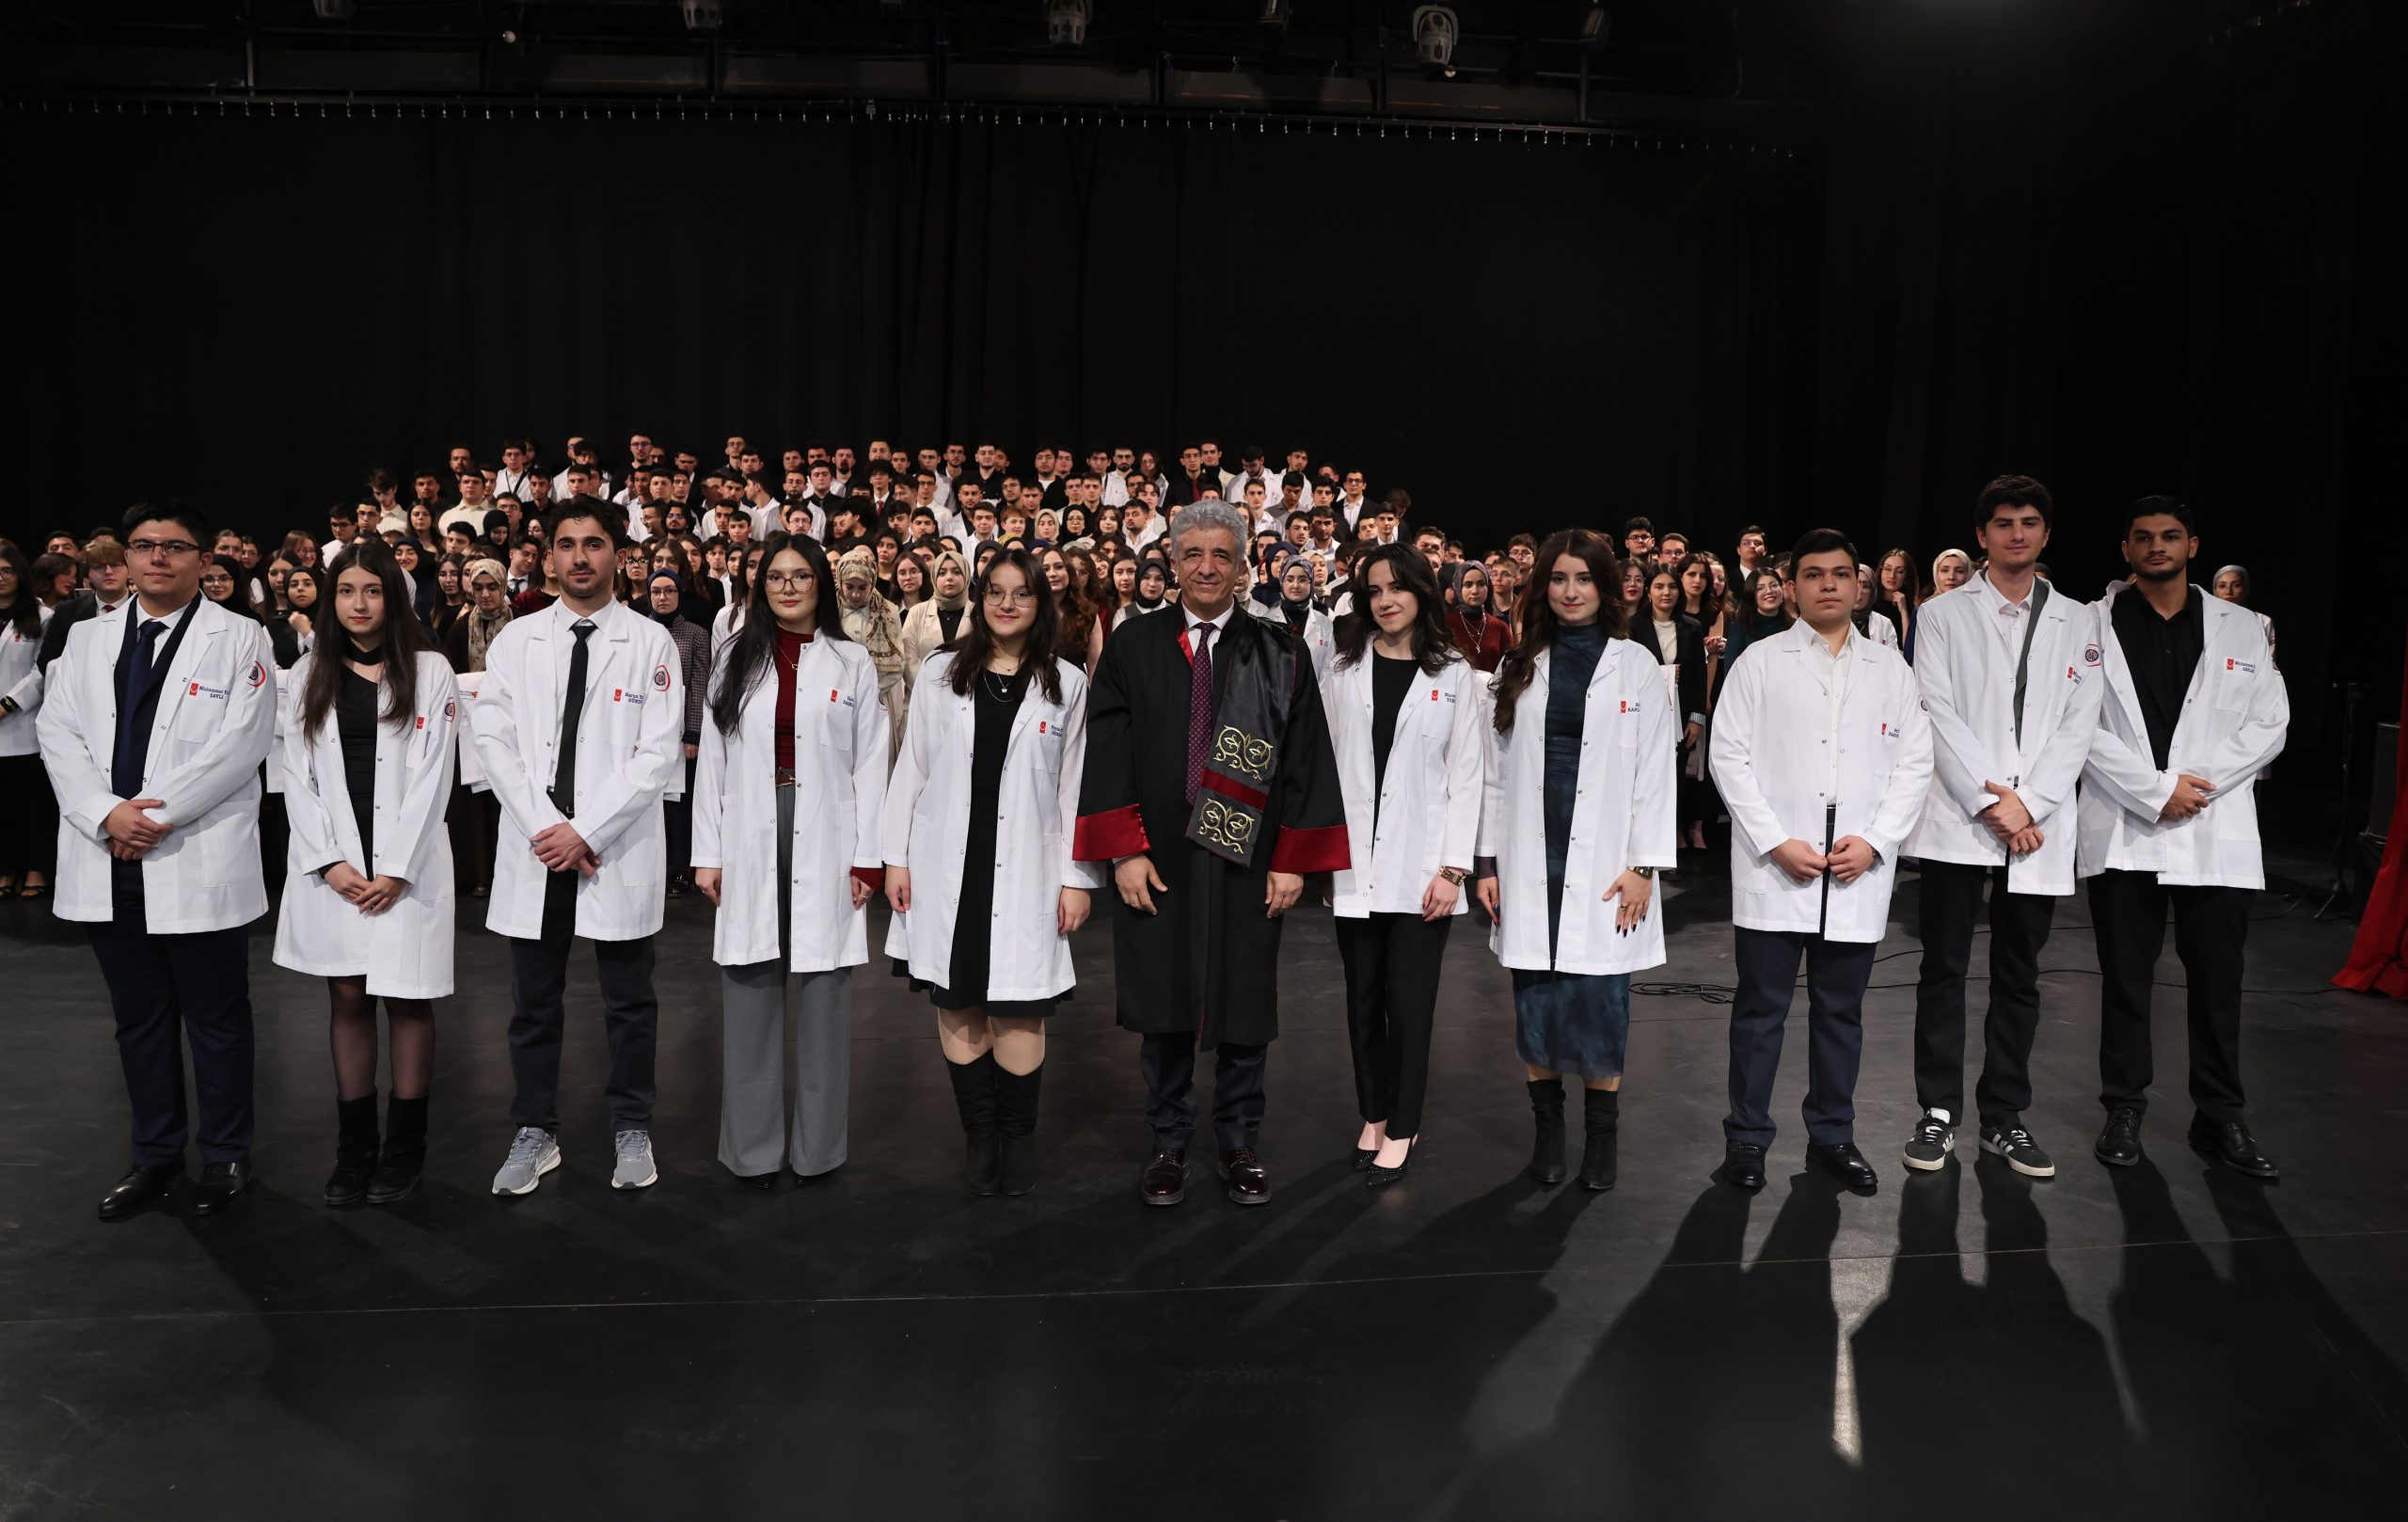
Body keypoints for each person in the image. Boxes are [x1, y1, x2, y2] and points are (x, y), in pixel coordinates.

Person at [1073, 499, 1350, 1208]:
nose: (1205, 567)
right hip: (1157, 854)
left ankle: (1238, 1140)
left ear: (1242, 566)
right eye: (1192, 554)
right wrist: (1124, 852)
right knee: (1162, 998)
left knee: (1244, 999)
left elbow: (1306, 759)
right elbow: (1106, 751)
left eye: (1220, 555)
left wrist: (1291, 859)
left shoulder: (1280, 652)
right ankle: (1169, 1139)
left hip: (1247, 858)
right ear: (1171, 561)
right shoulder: (1133, 645)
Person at [38, 501, 277, 1219]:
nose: (157, 558)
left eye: (175, 546)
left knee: (216, 1017)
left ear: (204, 559)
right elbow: (58, 732)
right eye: (144, 546)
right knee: (138, 1020)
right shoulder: (86, 637)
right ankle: (155, 1156)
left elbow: (241, 745)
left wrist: (150, 818)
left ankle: (226, 1154)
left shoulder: (241, 636)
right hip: (106, 854)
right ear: (126, 557)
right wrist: (103, 812)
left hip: (193, 852)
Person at [1707, 530, 1933, 1196]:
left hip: (1856, 857)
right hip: (1779, 856)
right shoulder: (1760, 662)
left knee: (1841, 1012)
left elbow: (1916, 761)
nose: (1828, 584)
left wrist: (1878, 840)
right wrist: (1775, 841)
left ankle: (1833, 1135)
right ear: (1792, 586)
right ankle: (1747, 1138)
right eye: (1813, 574)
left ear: (1859, 585)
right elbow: (1727, 756)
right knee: (1760, 1011)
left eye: (1840, 573)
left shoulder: (1889, 667)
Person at [470, 500, 684, 1196]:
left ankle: (632, 1125)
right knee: (533, 1005)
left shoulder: (650, 642)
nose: (580, 557)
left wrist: (587, 831)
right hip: (540, 848)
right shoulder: (517, 640)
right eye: (566, 544)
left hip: (611, 846)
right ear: (549, 557)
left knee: (630, 1003)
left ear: (619, 555)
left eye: (594, 544)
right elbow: (494, 742)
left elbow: (657, 753)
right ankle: (535, 1129)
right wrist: (550, 829)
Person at [884, 548, 1101, 1197]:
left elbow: (1075, 789)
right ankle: (980, 1136)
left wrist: (1077, 878)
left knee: (1020, 1009)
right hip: (947, 860)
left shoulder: (1067, 683)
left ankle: (1018, 1138)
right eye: (996, 592)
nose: (1007, 604)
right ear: (980, 601)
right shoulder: (940, 671)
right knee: (959, 1003)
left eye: (1022, 593)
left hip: (1030, 865)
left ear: (1041, 603)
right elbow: (913, 767)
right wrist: (895, 857)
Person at [1901, 475, 2100, 1179]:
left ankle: (2004, 1118)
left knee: (2021, 976)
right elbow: (1934, 710)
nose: (2018, 533)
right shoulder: (1941, 614)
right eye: (2004, 523)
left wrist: (2031, 803)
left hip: (2037, 826)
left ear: (2046, 534)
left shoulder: (2080, 620)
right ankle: (1937, 1111)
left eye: (2030, 522)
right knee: (1943, 970)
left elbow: (2080, 722)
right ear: (1982, 535)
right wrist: (1995, 804)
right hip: (1963, 817)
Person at [2082, 499, 2289, 1178]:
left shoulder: (2241, 626)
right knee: (2125, 981)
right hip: (2127, 825)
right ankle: (2124, 1107)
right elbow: (2078, 724)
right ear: (2126, 549)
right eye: (2143, 537)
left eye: (2170, 536)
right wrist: (2153, 790)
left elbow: (2270, 721)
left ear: (2192, 545)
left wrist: (2195, 785)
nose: (2157, 547)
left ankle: (2220, 1115)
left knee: (2219, 982)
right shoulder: (2092, 623)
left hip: (2212, 822)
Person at [1475, 530, 1673, 1193]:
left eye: (1583, 578)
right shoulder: (1517, 665)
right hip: (1532, 854)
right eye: (1558, 578)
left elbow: (1655, 770)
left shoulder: (1635, 664)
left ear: (1605, 587)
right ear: (1543, 588)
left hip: (1608, 860)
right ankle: (1549, 1134)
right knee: (1536, 1001)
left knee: (1599, 1002)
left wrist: (1645, 865)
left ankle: (1602, 1138)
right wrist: (1487, 864)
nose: (1570, 591)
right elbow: (1494, 774)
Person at [691, 534, 888, 1187]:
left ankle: (818, 1151)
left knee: (825, 993)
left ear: (820, 584)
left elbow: (871, 764)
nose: (788, 587)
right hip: (751, 826)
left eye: (801, 576)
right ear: (760, 586)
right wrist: (707, 853)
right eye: (775, 577)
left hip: (828, 829)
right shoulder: (733, 657)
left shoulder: (851, 660)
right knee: (750, 984)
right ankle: (752, 1150)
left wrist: (868, 857)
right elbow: (713, 762)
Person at [271, 542, 458, 1207]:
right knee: (348, 1000)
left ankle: (404, 1153)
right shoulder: (308, 673)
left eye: (373, 590)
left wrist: (397, 869)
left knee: (408, 999)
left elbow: (436, 775)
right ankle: (355, 1154)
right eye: (347, 590)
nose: (359, 603)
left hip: (407, 868)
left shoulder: (430, 671)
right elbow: (296, 775)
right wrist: (330, 861)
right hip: (338, 870)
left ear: (394, 598)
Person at [1323, 547, 1483, 1185]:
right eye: (1374, 590)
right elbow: (1325, 764)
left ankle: (1404, 1125)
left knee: (1410, 1008)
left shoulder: (1456, 674)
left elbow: (1467, 776)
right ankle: (1374, 1113)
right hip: (1353, 866)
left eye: (1397, 588)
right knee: (1361, 1004)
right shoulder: (1343, 668)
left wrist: (1453, 869)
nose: (1385, 600)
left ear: (1422, 591)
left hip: (1424, 873)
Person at [644, 569, 712, 895]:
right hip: (645, 731)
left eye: (669, 590)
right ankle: (651, 865)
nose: (662, 597)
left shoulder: (696, 634)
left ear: (679, 594)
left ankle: (681, 868)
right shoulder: (638, 630)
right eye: (656, 591)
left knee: (681, 804)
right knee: (648, 801)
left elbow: (699, 685)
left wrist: (693, 733)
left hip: (682, 731)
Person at [1638, 563, 1711, 851]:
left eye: (1671, 586)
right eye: (1659, 586)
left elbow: (1698, 677)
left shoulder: (1692, 627)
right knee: (1646, 778)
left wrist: (1696, 719)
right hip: (1644, 717)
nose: (1666, 592)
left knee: (1676, 778)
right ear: (1648, 591)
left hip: (1681, 717)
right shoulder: (1632, 626)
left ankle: (1675, 833)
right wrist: (1662, 673)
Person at [0, 544, 55, 899]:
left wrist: (7, 705)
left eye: (7, 570)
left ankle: (36, 869)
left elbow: (42, 670)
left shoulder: (42, 616)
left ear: (20, 574)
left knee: (31, 805)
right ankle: (6, 869)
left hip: (24, 726)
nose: (1, 577)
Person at [1250, 557, 1335, 682]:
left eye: (1302, 579)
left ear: (1311, 583)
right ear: (1281, 582)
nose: (1295, 585)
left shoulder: (1324, 622)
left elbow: (1329, 668)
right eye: (1289, 579)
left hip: (1318, 692)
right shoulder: (1267, 621)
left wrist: (1316, 694)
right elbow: (1261, 668)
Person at [899, 547, 971, 676]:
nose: (949, 577)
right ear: (934, 577)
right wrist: (929, 685)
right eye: (942, 573)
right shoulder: (916, 612)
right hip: (922, 686)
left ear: (966, 576)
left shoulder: (978, 613)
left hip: (967, 686)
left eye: (956, 572)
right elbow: (908, 660)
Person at [1719, 565, 1791, 670]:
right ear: (1751, 595)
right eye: (1760, 588)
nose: (1769, 591)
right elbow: (1731, 671)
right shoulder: (1739, 628)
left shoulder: (1793, 625)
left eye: (1774, 585)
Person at [2210, 563, 2277, 668]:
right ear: (2215, 590)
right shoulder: (2206, 621)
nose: (2228, 592)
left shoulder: (2263, 621)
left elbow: (2269, 663)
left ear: (2246, 587)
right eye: (2222, 586)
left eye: (2236, 585)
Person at [1446, 561, 1508, 672]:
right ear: (1458, 587)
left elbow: (1510, 669)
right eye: (1468, 585)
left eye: (1481, 584)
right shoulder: (1445, 625)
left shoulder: (1500, 627)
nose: (1475, 591)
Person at [1875, 548, 1925, 663]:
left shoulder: (1913, 609)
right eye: (1887, 569)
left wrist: (1904, 611)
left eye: (1900, 571)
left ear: (1907, 577)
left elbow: (1908, 650)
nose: (1892, 575)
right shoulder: (1868, 603)